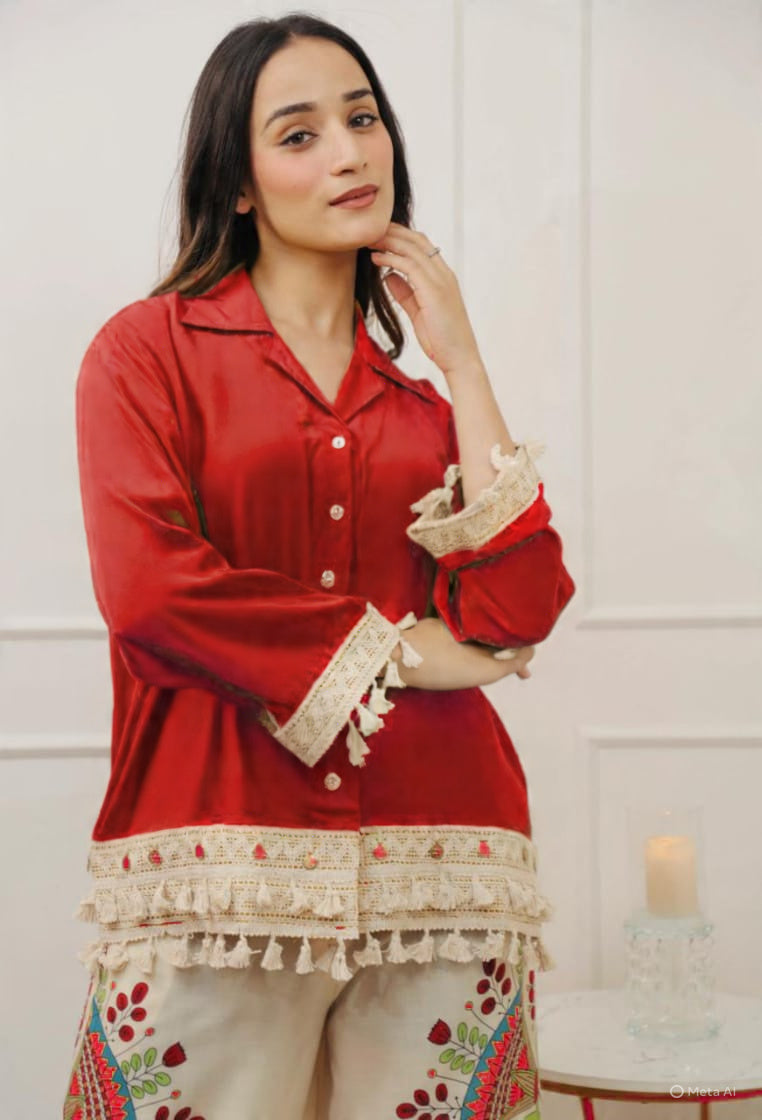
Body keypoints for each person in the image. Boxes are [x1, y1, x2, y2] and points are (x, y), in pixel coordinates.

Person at [63, 13, 576, 1120]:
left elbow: (518, 607)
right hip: (219, 868)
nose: (349, 153)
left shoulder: (424, 406)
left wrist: (463, 360)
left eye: (363, 119)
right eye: (298, 135)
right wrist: (399, 651)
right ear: (238, 182)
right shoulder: (146, 354)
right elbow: (150, 591)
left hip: (445, 863)